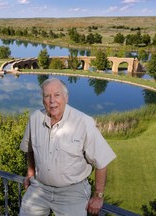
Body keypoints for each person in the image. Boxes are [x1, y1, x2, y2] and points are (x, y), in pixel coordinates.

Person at [19, 77, 116, 216]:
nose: (52, 101)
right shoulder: (35, 118)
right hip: (39, 189)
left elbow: (102, 160)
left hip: (72, 194)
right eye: (47, 96)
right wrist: (30, 173)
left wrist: (98, 195)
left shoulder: (83, 122)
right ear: (42, 100)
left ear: (66, 97)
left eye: (57, 95)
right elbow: (30, 150)